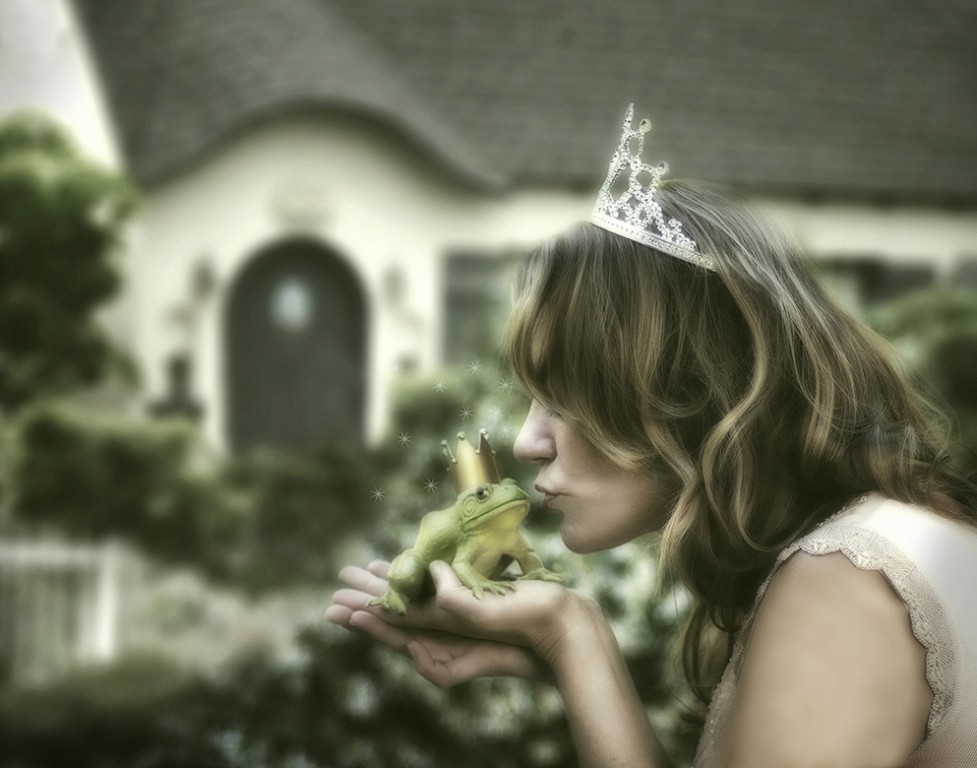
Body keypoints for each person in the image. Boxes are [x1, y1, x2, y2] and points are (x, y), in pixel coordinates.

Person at [327, 105, 977, 767]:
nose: (527, 444)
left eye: (564, 397)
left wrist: (569, 633)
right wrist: (568, 640)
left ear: (687, 390)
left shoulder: (845, 580)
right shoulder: (867, 549)